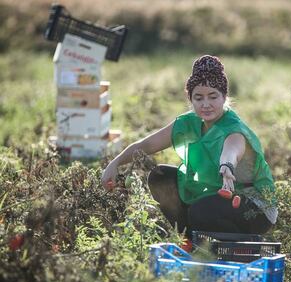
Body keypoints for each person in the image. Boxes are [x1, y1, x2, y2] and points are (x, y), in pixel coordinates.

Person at [101, 55, 277, 243]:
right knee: (161, 176)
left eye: (213, 96)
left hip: (255, 208)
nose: (206, 104)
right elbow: (146, 145)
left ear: (224, 97)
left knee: (201, 211)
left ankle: (229, 248)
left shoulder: (233, 128)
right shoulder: (189, 122)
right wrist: (115, 163)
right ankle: (189, 242)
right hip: (217, 195)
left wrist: (227, 167)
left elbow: (232, 148)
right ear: (190, 98)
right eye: (198, 98)